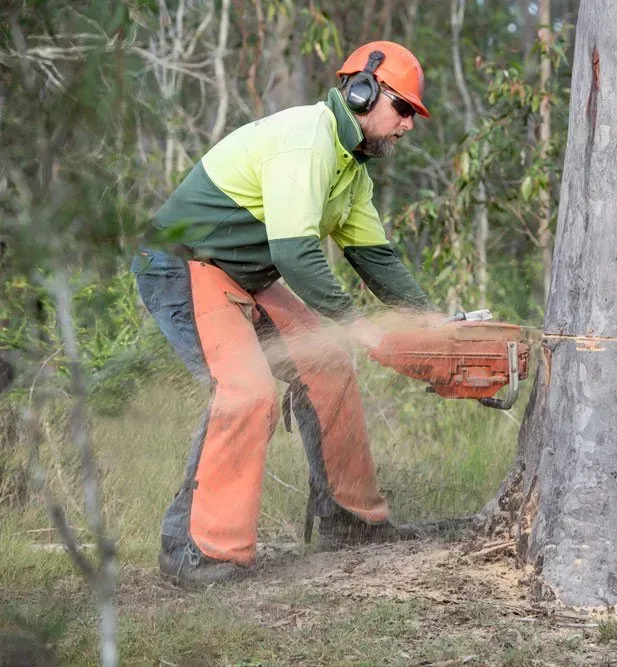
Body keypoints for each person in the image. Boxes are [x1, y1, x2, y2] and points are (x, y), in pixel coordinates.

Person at [132, 41, 437, 588]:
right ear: (364, 92)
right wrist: (353, 318)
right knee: (246, 393)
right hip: (183, 264)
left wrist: (431, 324)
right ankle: (193, 549)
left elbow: (376, 259)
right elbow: (294, 252)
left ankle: (349, 520)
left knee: (328, 362)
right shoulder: (307, 141)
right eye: (404, 109)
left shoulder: (351, 171)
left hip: (246, 274)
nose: (407, 125)